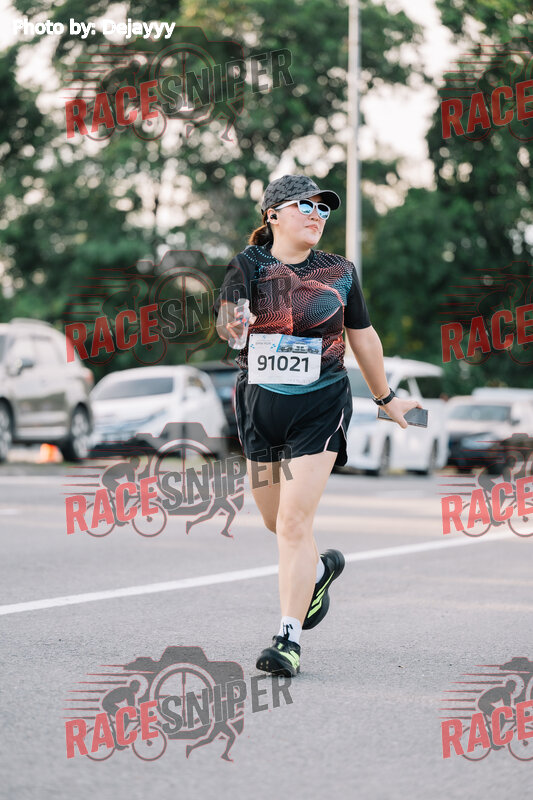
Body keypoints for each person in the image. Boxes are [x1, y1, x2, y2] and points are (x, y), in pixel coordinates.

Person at [214, 174, 420, 677]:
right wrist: (234, 324)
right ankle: (321, 568)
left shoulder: (340, 271)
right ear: (273, 215)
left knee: (292, 522)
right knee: (275, 521)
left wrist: (386, 397)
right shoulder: (248, 264)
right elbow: (227, 323)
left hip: (321, 407)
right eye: (304, 206)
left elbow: (363, 335)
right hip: (259, 408)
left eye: (323, 209)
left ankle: (287, 639)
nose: (316, 215)